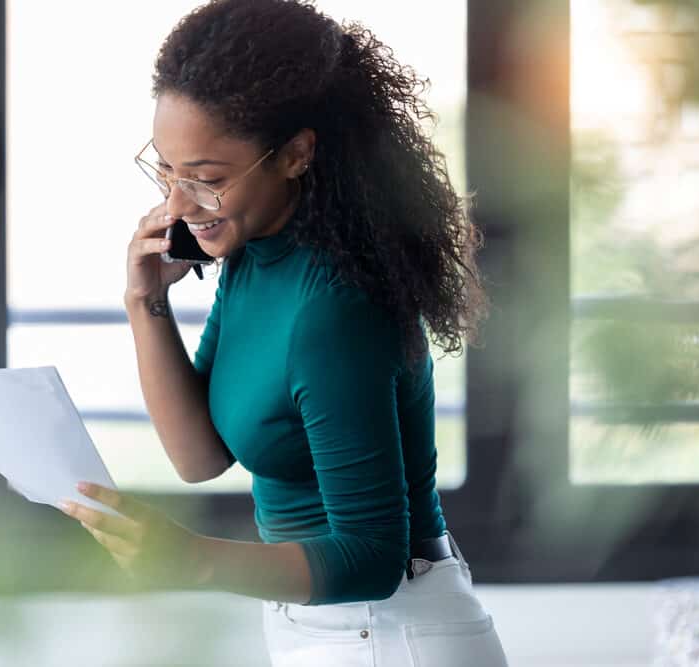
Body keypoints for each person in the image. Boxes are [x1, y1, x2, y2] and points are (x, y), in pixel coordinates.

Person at [58, 0, 509, 664]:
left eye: (207, 180)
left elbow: (371, 556)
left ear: (296, 153)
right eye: (167, 173)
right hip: (326, 628)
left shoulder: (336, 307)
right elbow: (200, 455)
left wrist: (189, 557)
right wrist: (143, 301)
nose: (179, 206)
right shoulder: (254, 256)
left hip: (392, 631)